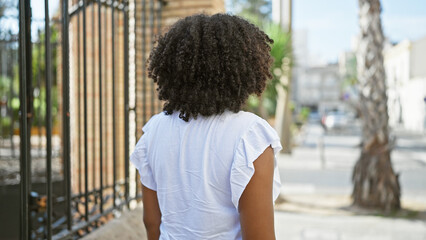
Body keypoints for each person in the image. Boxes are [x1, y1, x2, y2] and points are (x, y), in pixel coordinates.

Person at [130, 13, 282, 240]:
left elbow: (152, 224)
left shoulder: (154, 131)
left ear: (173, 67)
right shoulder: (250, 136)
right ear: (244, 68)